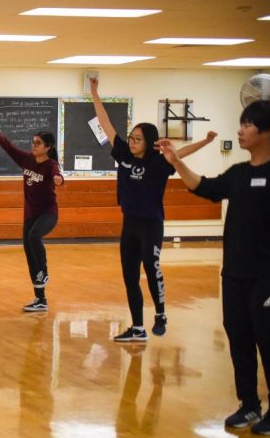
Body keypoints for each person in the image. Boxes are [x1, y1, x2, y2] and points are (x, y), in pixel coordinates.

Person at [157, 99, 270, 435]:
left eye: (247, 124)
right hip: (235, 272)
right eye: (241, 123)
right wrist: (176, 161)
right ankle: (249, 406)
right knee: (239, 338)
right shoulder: (239, 174)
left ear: (267, 131)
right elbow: (206, 188)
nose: (240, 130)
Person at [90, 77, 215, 341]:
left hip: (151, 223)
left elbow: (183, 153)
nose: (132, 142)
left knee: (151, 266)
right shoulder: (123, 154)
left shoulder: (160, 163)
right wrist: (93, 91)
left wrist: (205, 141)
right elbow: (105, 123)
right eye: (131, 137)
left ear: (149, 142)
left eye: (137, 139)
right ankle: (137, 328)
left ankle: (160, 313)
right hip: (130, 224)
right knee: (129, 276)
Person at [0, 116, 62, 311]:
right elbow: (6, 144)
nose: (33, 145)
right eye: (33, 142)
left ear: (48, 147)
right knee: (29, 253)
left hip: (48, 214)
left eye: (38, 143)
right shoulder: (27, 159)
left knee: (34, 237)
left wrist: (58, 179)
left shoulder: (50, 165)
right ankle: (40, 299)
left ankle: (44, 272)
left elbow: (57, 174)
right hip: (30, 214)